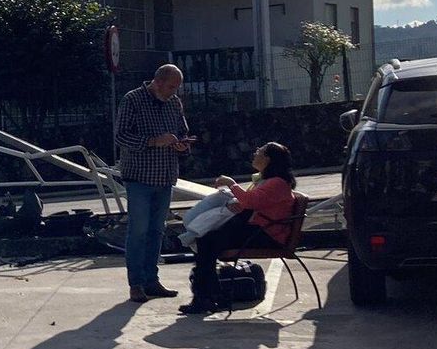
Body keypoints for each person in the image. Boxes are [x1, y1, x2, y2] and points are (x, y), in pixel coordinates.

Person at [180, 142, 298, 315]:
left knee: (207, 242)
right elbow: (253, 202)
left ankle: (205, 296)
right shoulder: (269, 180)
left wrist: (231, 184)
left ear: (267, 159)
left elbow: (250, 201)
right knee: (207, 241)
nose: (255, 153)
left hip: (266, 234)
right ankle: (209, 295)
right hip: (258, 230)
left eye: (260, 151)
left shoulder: (277, 183)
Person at [113, 64, 192, 303]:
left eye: (177, 88)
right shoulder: (133, 100)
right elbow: (121, 135)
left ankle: (151, 280)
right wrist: (153, 141)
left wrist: (182, 144)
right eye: (170, 87)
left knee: (157, 232)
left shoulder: (174, 103)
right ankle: (135, 284)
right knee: (138, 231)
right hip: (139, 177)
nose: (173, 92)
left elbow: (182, 131)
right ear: (157, 82)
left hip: (165, 176)